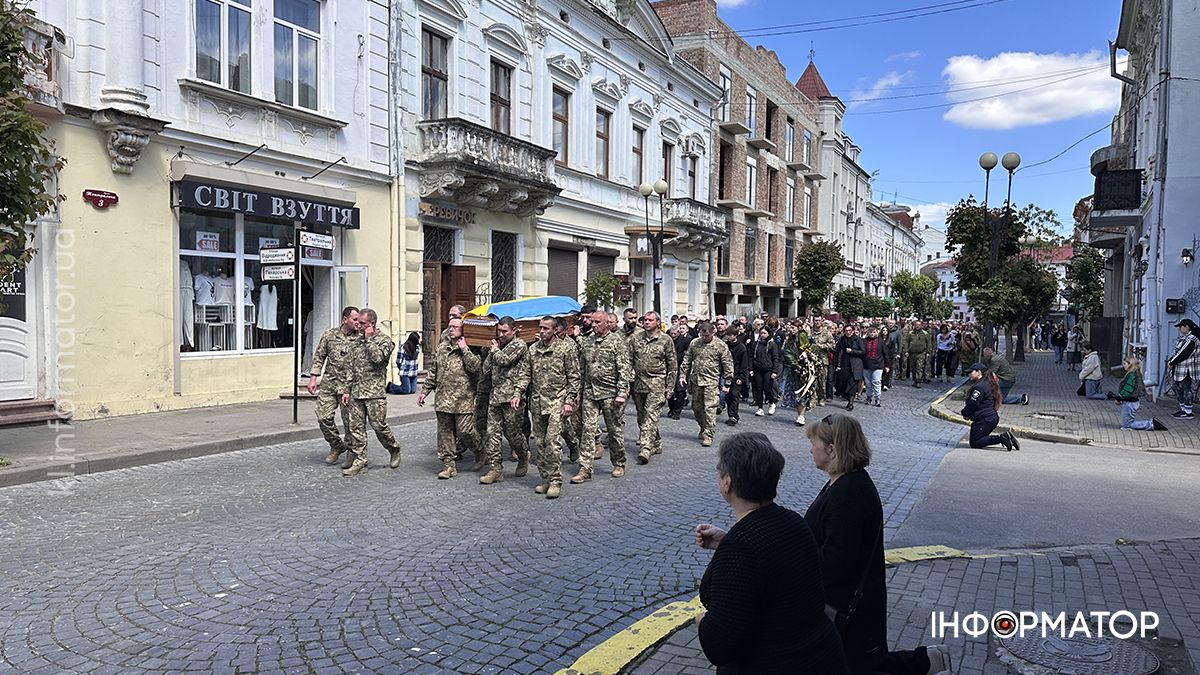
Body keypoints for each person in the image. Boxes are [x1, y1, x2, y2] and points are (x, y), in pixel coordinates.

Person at [803, 415, 952, 674]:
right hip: (849, 606)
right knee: (864, 664)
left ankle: (927, 662)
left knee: (860, 666)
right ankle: (929, 661)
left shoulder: (850, 493)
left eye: (814, 442)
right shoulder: (840, 483)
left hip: (849, 608)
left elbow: (835, 563)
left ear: (832, 449)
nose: (810, 448)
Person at [692, 433, 849, 674]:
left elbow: (720, 646)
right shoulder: (793, 522)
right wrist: (728, 541)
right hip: (821, 655)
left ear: (727, 482)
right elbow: (775, 566)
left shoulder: (740, 549)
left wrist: (702, 622)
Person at [341, 308, 403, 475]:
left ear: (372, 323)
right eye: (358, 322)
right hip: (356, 392)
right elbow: (350, 367)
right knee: (356, 428)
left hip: (374, 393)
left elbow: (378, 360)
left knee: (378, 426)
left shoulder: (385, 341)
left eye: (362, 323)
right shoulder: (356, 342)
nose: (358, 326)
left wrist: (368, 340)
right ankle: (360, 461)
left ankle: (394, 448)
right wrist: (347, 389)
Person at [417, 317, 481, 479]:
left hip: (463, 399)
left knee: (465, 432)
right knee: (444, 433)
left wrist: (464, 348)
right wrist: (425, 391)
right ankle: (449, 465)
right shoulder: (442, 347)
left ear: (462, 330)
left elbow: (475, 368)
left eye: (455, 327)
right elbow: (434, 371)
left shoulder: (471, 347)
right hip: (443, 399)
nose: (451, 329)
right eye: (450, 326)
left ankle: (480, 448)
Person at [574, 308, 630, 482]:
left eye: (598, 322)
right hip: (591, 392)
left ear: (607, 323)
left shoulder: (617, 341)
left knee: (614, 431)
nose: (594, 325)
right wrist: (579, 393)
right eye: (593, 322)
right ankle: (585, 468)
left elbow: (624, 369)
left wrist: (621, 393)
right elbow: (582, 368)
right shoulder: (588, 341)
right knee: (588, 430)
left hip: (611, 394)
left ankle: (619, 462)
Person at [527, 316, 580, 498]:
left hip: (557, 401)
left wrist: (569, 401)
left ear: (554, 330)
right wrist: (518, 393)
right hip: (537, 402)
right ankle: (545, 479)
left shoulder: (566, 348)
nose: (542, 331)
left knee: (552, 441)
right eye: (540, 328)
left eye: (546, 329)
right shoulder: (533, 350)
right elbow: (527, 375)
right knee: (540, 443)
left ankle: (556, 480)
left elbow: (574, 377)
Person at [479, 316, 532, 485]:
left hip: (512, 397)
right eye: (499, 331)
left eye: (505, 331)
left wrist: (495, 350)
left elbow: (505, 361)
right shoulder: (497, 346)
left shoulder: (519, 345)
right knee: (492, 433)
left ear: (514, 331)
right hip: (496, 397)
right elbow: (486, 370)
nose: (501, 334)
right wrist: (490, 351)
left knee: (513, 434)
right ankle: (496, 469)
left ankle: (523, 455)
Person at [308, 306, 358, 466]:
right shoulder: (330, 335)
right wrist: (313, 378)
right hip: (329, 383)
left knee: (349, 422)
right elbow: (319, 356)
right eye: (355, 320)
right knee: (323, 417)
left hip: (348, 387)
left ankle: (352, 451)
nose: (358, 323)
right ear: (345, 319)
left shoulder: (360, 338)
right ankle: (336, 445)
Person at [630, 311, 677, 464]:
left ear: (657, 322)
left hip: (657, 382)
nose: (646, 322)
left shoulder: (666, 340)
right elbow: (629, 360)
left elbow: (672, 365)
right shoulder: (636, 339)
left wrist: (669, 388)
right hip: (639, 383)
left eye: (650, 320)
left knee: (651, 414)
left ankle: (645, 448)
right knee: (642, 416)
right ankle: (656, 442)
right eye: (645, 320)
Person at [679, 321, 734, 447]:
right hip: (696, 381)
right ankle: (703, 427)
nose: (704, 338)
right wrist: (682, 375)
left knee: (710, 409)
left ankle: (709, 434)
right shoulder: (694, 343)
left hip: (711, 381)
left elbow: (728, 364)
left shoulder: (720, 345)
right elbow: (687, 360)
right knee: (697, 408)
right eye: (702, 335)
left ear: (713, 332)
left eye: (707, 336)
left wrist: (727, 382)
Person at [962, 362, 1017, 450]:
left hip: (984, 419)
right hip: (989, 418)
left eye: (971, 372)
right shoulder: (988, 383)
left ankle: (1002, 438)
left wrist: (965, 413)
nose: (969, 374)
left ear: (979, 372)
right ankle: (1006, 438)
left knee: (975, 442)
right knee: (979, 438)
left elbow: (973, 403)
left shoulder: (980, 387)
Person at [1111, 356, 1167, 431]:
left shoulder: (1132, 375)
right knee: (1127, 423)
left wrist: (1120, 397)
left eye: (1125, 363)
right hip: (1132, 402)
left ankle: (1151, 424)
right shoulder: (1136, 374)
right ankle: (1151, 424)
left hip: (1129, 402)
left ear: (1130, 364)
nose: (1123, 365)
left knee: (1126, 425)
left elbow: (1128, 388)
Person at [1166, 318, 1200, 419]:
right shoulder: (1186, 338)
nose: (1179, 329)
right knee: (1178, 388)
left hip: (1187, 369)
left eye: (1181, 327)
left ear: (1186, 326)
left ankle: (1188, 411)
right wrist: (1172, 360)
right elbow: (1179, 352)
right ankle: (1183, 409)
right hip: (1181, 368)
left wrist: (1172, 362)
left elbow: (1184, 353)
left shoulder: (1192, 339)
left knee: (1186, 389)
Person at [749, 327, 782, 416]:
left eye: (764, 333)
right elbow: (751, 357)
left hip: (768, 369)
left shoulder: (772, 344)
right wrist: (751, 369)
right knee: (758, 388)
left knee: (767, 388)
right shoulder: (756, 344)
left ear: (768, 334)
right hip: (757, 369)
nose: (762, 335)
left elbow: (775, 358)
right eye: (761, 333)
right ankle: (760, 408)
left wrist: (774, 371)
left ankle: (771, 402)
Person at [834, 325, 865, 410]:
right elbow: (837, 350)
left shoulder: (858, 339)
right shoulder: (842, 339)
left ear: (853, 331)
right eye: (846, 330)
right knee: (845, 382)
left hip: (855, 364)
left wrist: (853, 351)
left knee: (853, 383)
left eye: (850, 330)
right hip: (845, 363)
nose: (848, 332)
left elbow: (863, 351)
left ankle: (851, 403)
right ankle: (848, 398)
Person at [722, 326, 748, 427]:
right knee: (728, 396)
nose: (728, 337)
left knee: (734, 395)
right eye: (727, 335)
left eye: (730, 335)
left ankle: (734, 416)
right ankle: (730, 414)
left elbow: (744, 364)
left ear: (735, 335)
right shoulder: (725, 346)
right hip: (727, 373)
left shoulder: (741, 347)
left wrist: (742, 378)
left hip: (737, 375)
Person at [861, 326, 891, 407]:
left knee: (876, 381)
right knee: (868, 383)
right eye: (871, 332)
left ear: (876, 333)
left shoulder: (881, 342)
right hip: (866, 365)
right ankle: (869, 397)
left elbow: (886, 354)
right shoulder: (864, 341)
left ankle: (877, 398)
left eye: (874, 332)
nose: (872, 334)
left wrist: (887, 365)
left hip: (878, 364)